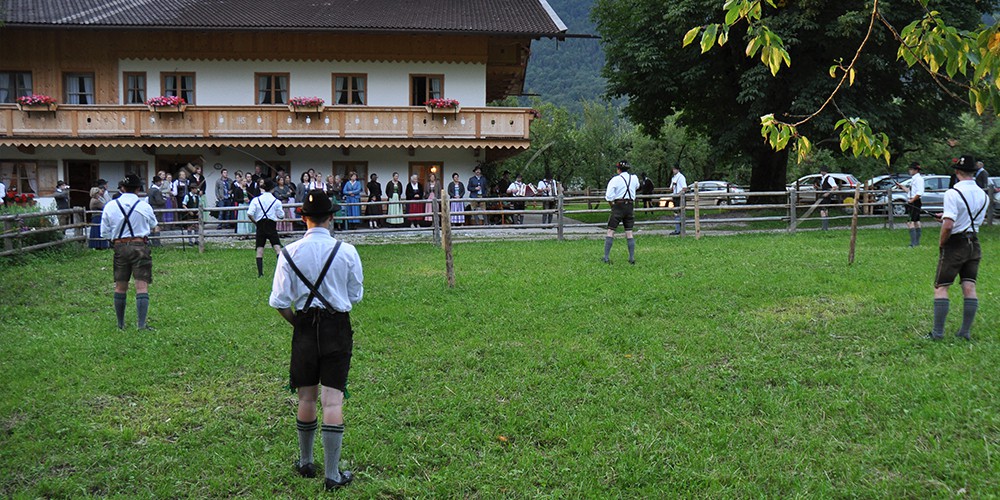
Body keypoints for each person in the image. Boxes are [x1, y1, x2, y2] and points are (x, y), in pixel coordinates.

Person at [269, 190, 363, 491]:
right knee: (332, 400)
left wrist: (300, 324)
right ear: (332, 217)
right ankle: (332, 475)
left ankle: (306, 461)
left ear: (302, 217)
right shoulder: (347, 251)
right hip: (336, 325)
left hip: (305, 325)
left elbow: (280, 301)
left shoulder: (288, 253)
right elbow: (355, 295)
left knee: (306, 397)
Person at [930, 154, 989, 341]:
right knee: (969, 286)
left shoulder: (952, 193)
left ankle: (937, 333)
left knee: (941, 287)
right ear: (974, 172)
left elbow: (948, 225)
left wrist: (942, 243)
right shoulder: (983, 194)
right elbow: (967, 216)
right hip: (974, 243)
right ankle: (965, 332)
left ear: (957, 172)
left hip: (956, 243)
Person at [100, 174, 157, 330]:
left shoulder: (111, 206)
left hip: (120, 247)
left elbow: (104, 232)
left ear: (122, 188)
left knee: (120, 286)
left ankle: (120, 325)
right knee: (141, 286)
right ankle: (141, 325)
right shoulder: (144, 206)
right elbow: (153, 224)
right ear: (138, 189)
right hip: (140, 246)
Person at [603, 160, 639, 264]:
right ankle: (631, 257)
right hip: (630, 206)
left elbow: (608, 196)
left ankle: (606, 257)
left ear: (618, 169)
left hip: (618, 205)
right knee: (629, 232)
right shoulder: (634, 178)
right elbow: (637, 187)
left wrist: (612, 206)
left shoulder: (615, 180)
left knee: (611, 230)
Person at [247, 178, 285, 277]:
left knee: (260, 249)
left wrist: (255, 223)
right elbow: (281, 215)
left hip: (260, 224)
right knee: (277, 247)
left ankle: (260, 274)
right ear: (272, 189)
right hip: (271, 225)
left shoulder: (256, 200)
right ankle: (282, 271)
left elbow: (250, 213)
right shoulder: (276, 201)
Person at [905, 162, 925, 247]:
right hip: (914, 200)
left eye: (911, 169)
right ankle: (916, 243)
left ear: (915, 170)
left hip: (914, 201)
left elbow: (919, 192)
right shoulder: (914, 179)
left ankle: (914, 243)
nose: (910, 171)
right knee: (916, 221)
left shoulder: (919, 179)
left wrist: (912, 200)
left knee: (910, 221)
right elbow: (911, 191)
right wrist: (902, 187)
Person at [814, 166, 837, 231]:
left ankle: (824, 227)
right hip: (824, 196)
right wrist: (818, 188)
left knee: (823, 211)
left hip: (827, 197)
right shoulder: (823, 178)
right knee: (825, 210)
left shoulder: (829, 178)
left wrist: (828, 193)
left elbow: (834, 187)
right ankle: (825, 227)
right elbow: (824, 188)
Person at [147, 175, 166, 246]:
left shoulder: (150, 189)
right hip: (157, 209)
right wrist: (164, 200)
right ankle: (156, 242)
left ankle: (151, 241)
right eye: (160, 181)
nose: (161, 183)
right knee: (157, 225)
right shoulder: (156, 191)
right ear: (157, 182)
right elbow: (159, 201)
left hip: (152, 208)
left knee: (152, 225)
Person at [669, 165, 687, 235]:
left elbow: (684, 187)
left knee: (681, 212)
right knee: (676, 213)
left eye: (675, 169)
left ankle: (680, 229)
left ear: (678, 170)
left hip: (680, 197)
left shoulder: (681, 177)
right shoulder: (673, 178)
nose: (673, 170)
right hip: (675, 196)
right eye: (673, 169)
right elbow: (671, 188)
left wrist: (679, 193)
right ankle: (677, 229)